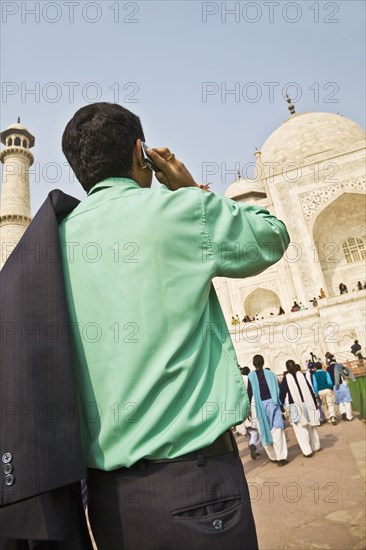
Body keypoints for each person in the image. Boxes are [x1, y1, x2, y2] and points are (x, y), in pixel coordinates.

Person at [0, 103, 291, 548]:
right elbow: (271, 235)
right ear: (142, 152)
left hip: (108, 505)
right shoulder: (180, 212)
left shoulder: (47, 248)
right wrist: (189, 188)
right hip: (197, 489)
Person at [247, 355, 288, 467]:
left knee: (264, 431)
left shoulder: (251, 376)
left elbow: (249, 394)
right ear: (263, 362)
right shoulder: (271, 374)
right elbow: (278, 390)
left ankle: (273, 457)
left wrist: (249, 411)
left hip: (260, 407)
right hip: (273, 403)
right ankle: (281, 458)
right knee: (277, 430)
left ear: (254, 364)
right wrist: (281, 405)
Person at [280, 360, 321, 458]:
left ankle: (307, 451)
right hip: (307, 403)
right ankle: (316, 446)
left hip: (295, 406)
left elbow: (282, 393)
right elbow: (310, 389)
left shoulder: (286, 378)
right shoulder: (301, 375)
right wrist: (314, 403)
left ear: (286, 368)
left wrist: (280, 405)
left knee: (300, 429)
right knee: (311, 426)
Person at [236, 367, 261, 460]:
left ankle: (254, 448)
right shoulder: (247, 378)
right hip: (250, 405)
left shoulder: (233, 380)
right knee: (254, 431)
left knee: (246, 432)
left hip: (239, 408)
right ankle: (253, 445)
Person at [326, 353, 356, 421]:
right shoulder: (339, 365)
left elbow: (329, 380)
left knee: (340, 401)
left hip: (335, 387)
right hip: (343, 385)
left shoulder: (328, 369)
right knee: (347, 401)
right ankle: (349, 416)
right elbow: (346, 372)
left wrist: (331, 387)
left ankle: (343, 412)